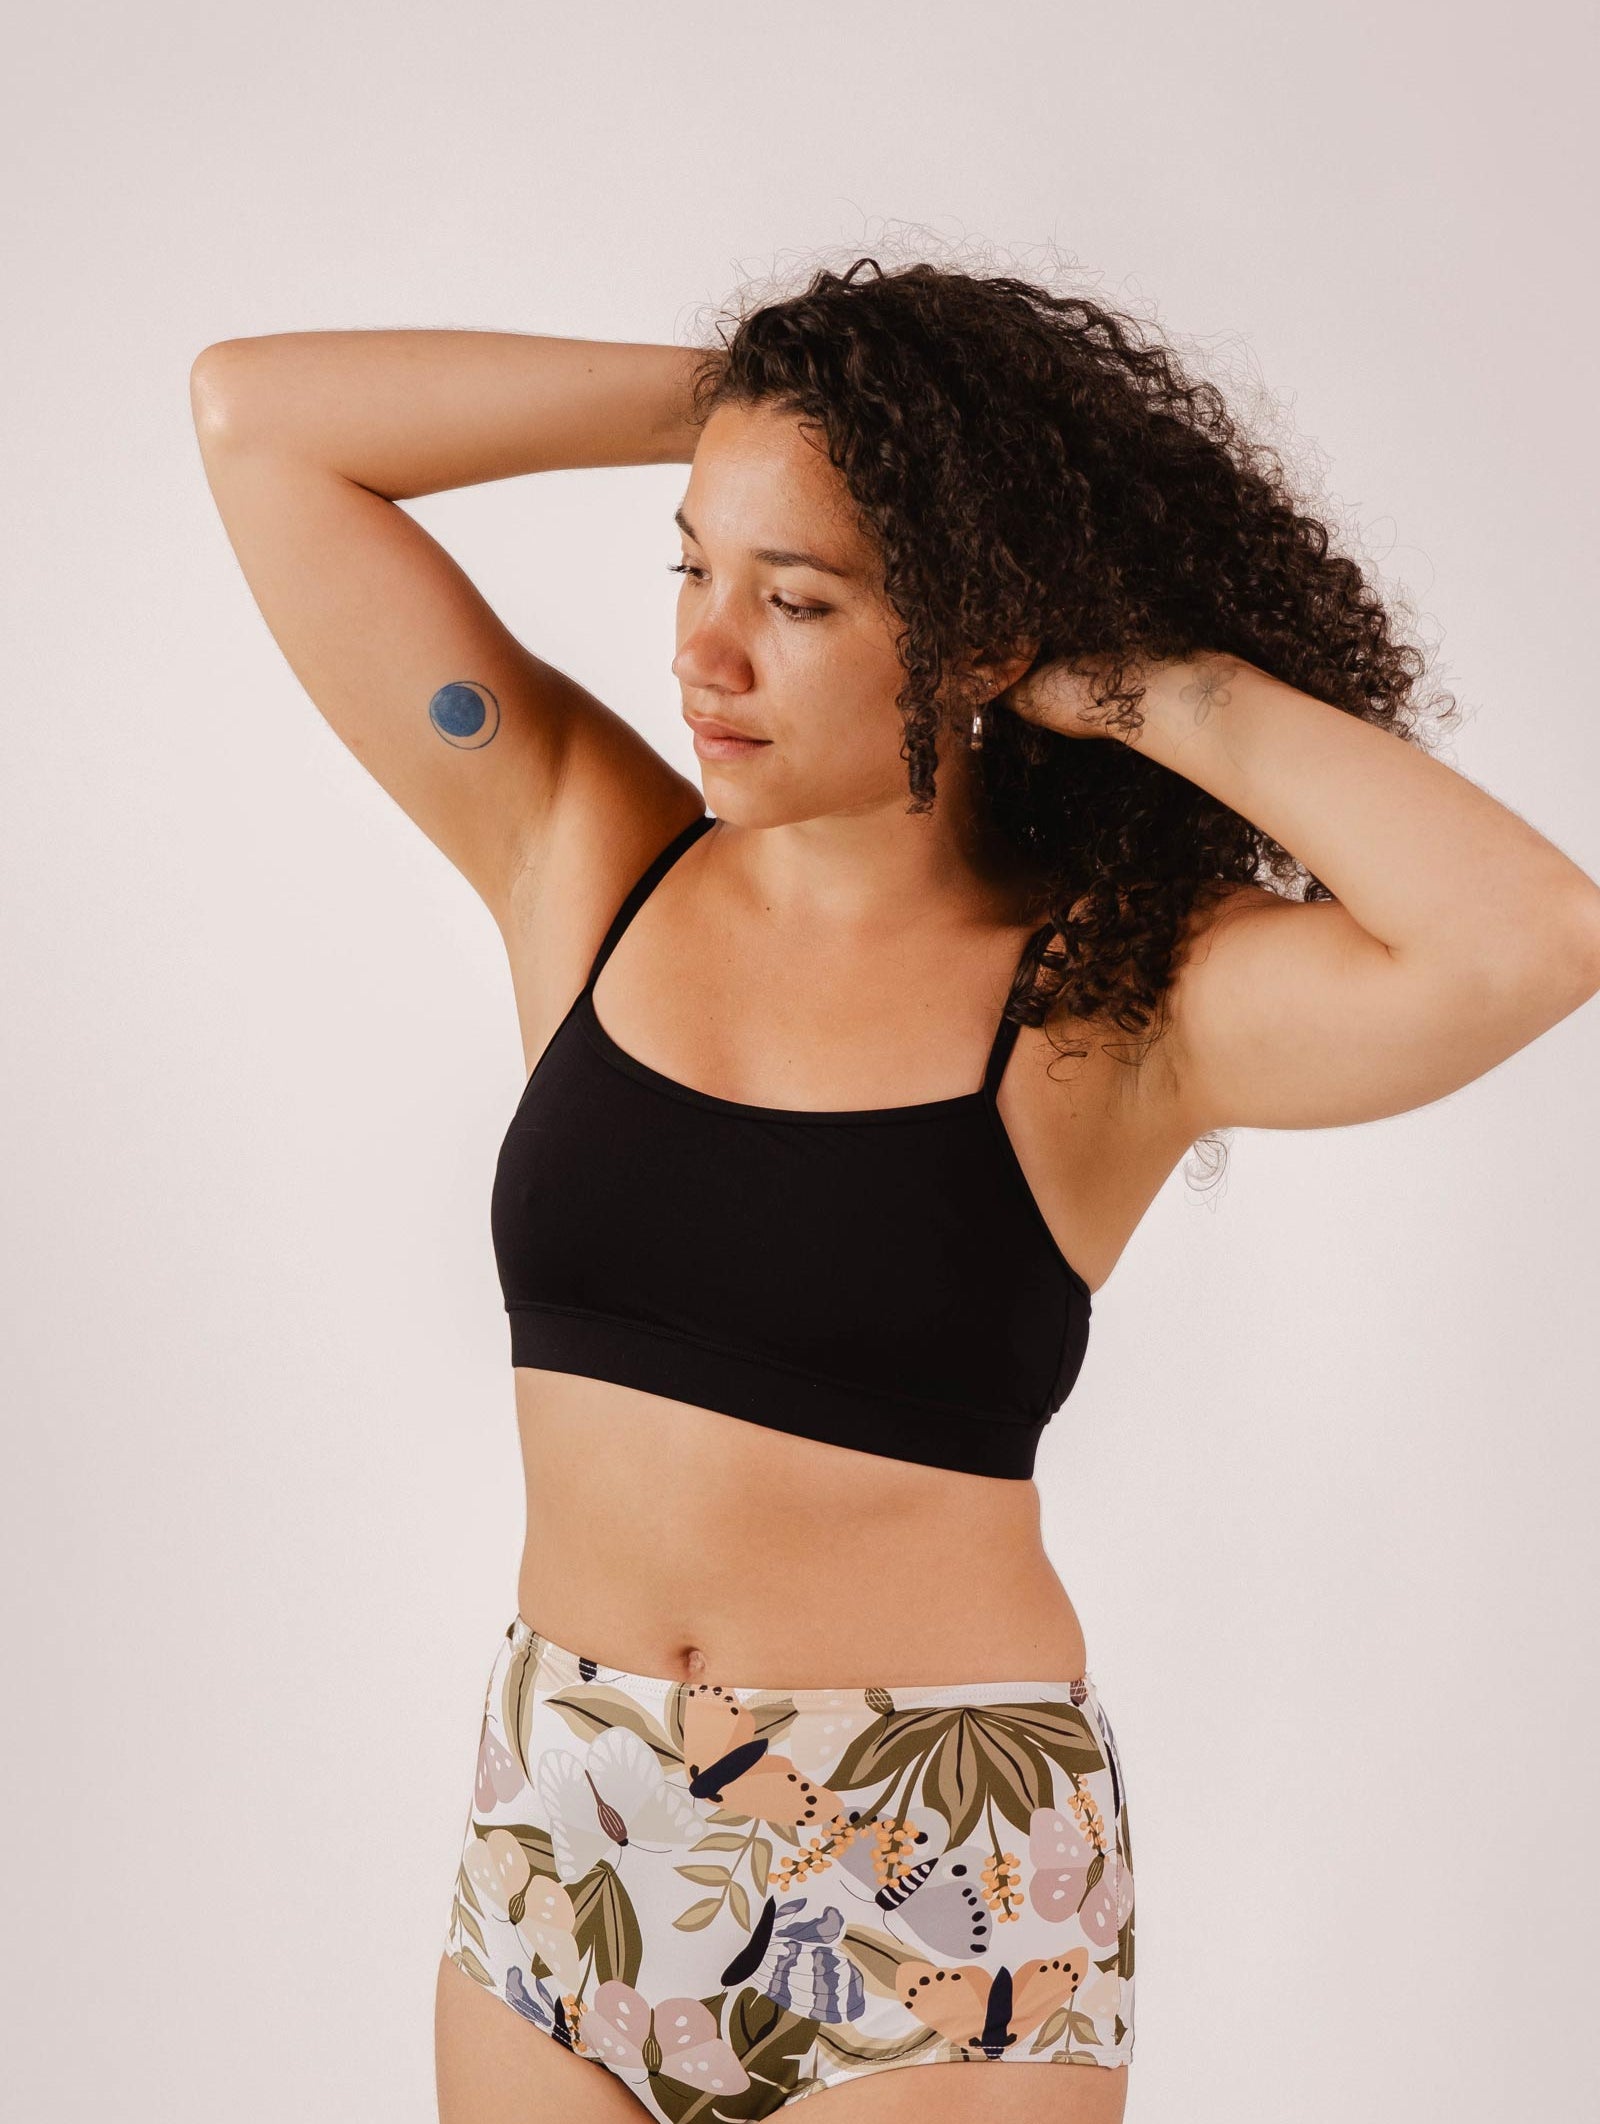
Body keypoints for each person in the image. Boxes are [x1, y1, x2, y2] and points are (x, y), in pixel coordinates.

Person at [190, 257, 1600, 2123]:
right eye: (691, 566)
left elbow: (1532, 939)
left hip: (929, 1868)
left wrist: (1134, 678)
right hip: (567, 1808)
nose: (705, 650)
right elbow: (259, 421)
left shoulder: (1117, 999)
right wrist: (764, 403)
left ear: (970, 632)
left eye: (796, 598)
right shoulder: (584, 850)